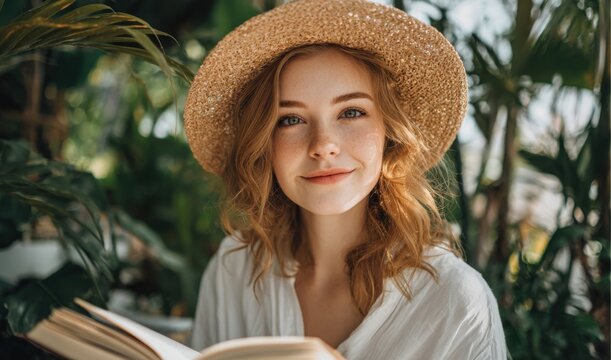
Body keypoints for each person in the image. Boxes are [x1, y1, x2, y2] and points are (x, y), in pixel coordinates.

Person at [183, 0, 507, 359]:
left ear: (391, 134)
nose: (323, 146)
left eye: (351, 112)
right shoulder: (234, 270)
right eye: (290, 119)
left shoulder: (453, 301)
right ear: (264, 144)